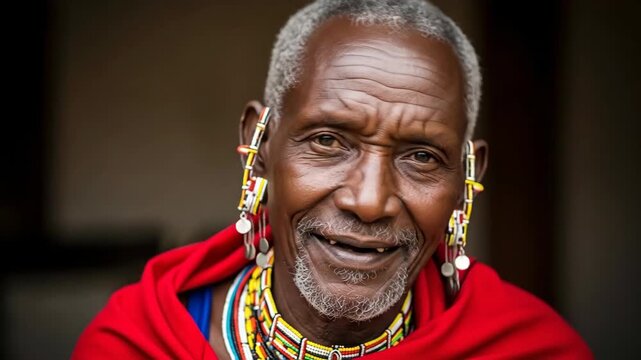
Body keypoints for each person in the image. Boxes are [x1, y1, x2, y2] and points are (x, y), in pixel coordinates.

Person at [73, 0, 592, 359]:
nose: (369, 201)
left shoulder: (534, 348)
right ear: (259, 145)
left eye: (421, 157)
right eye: (327, 140)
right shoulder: (136, 343)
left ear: (467, 177)